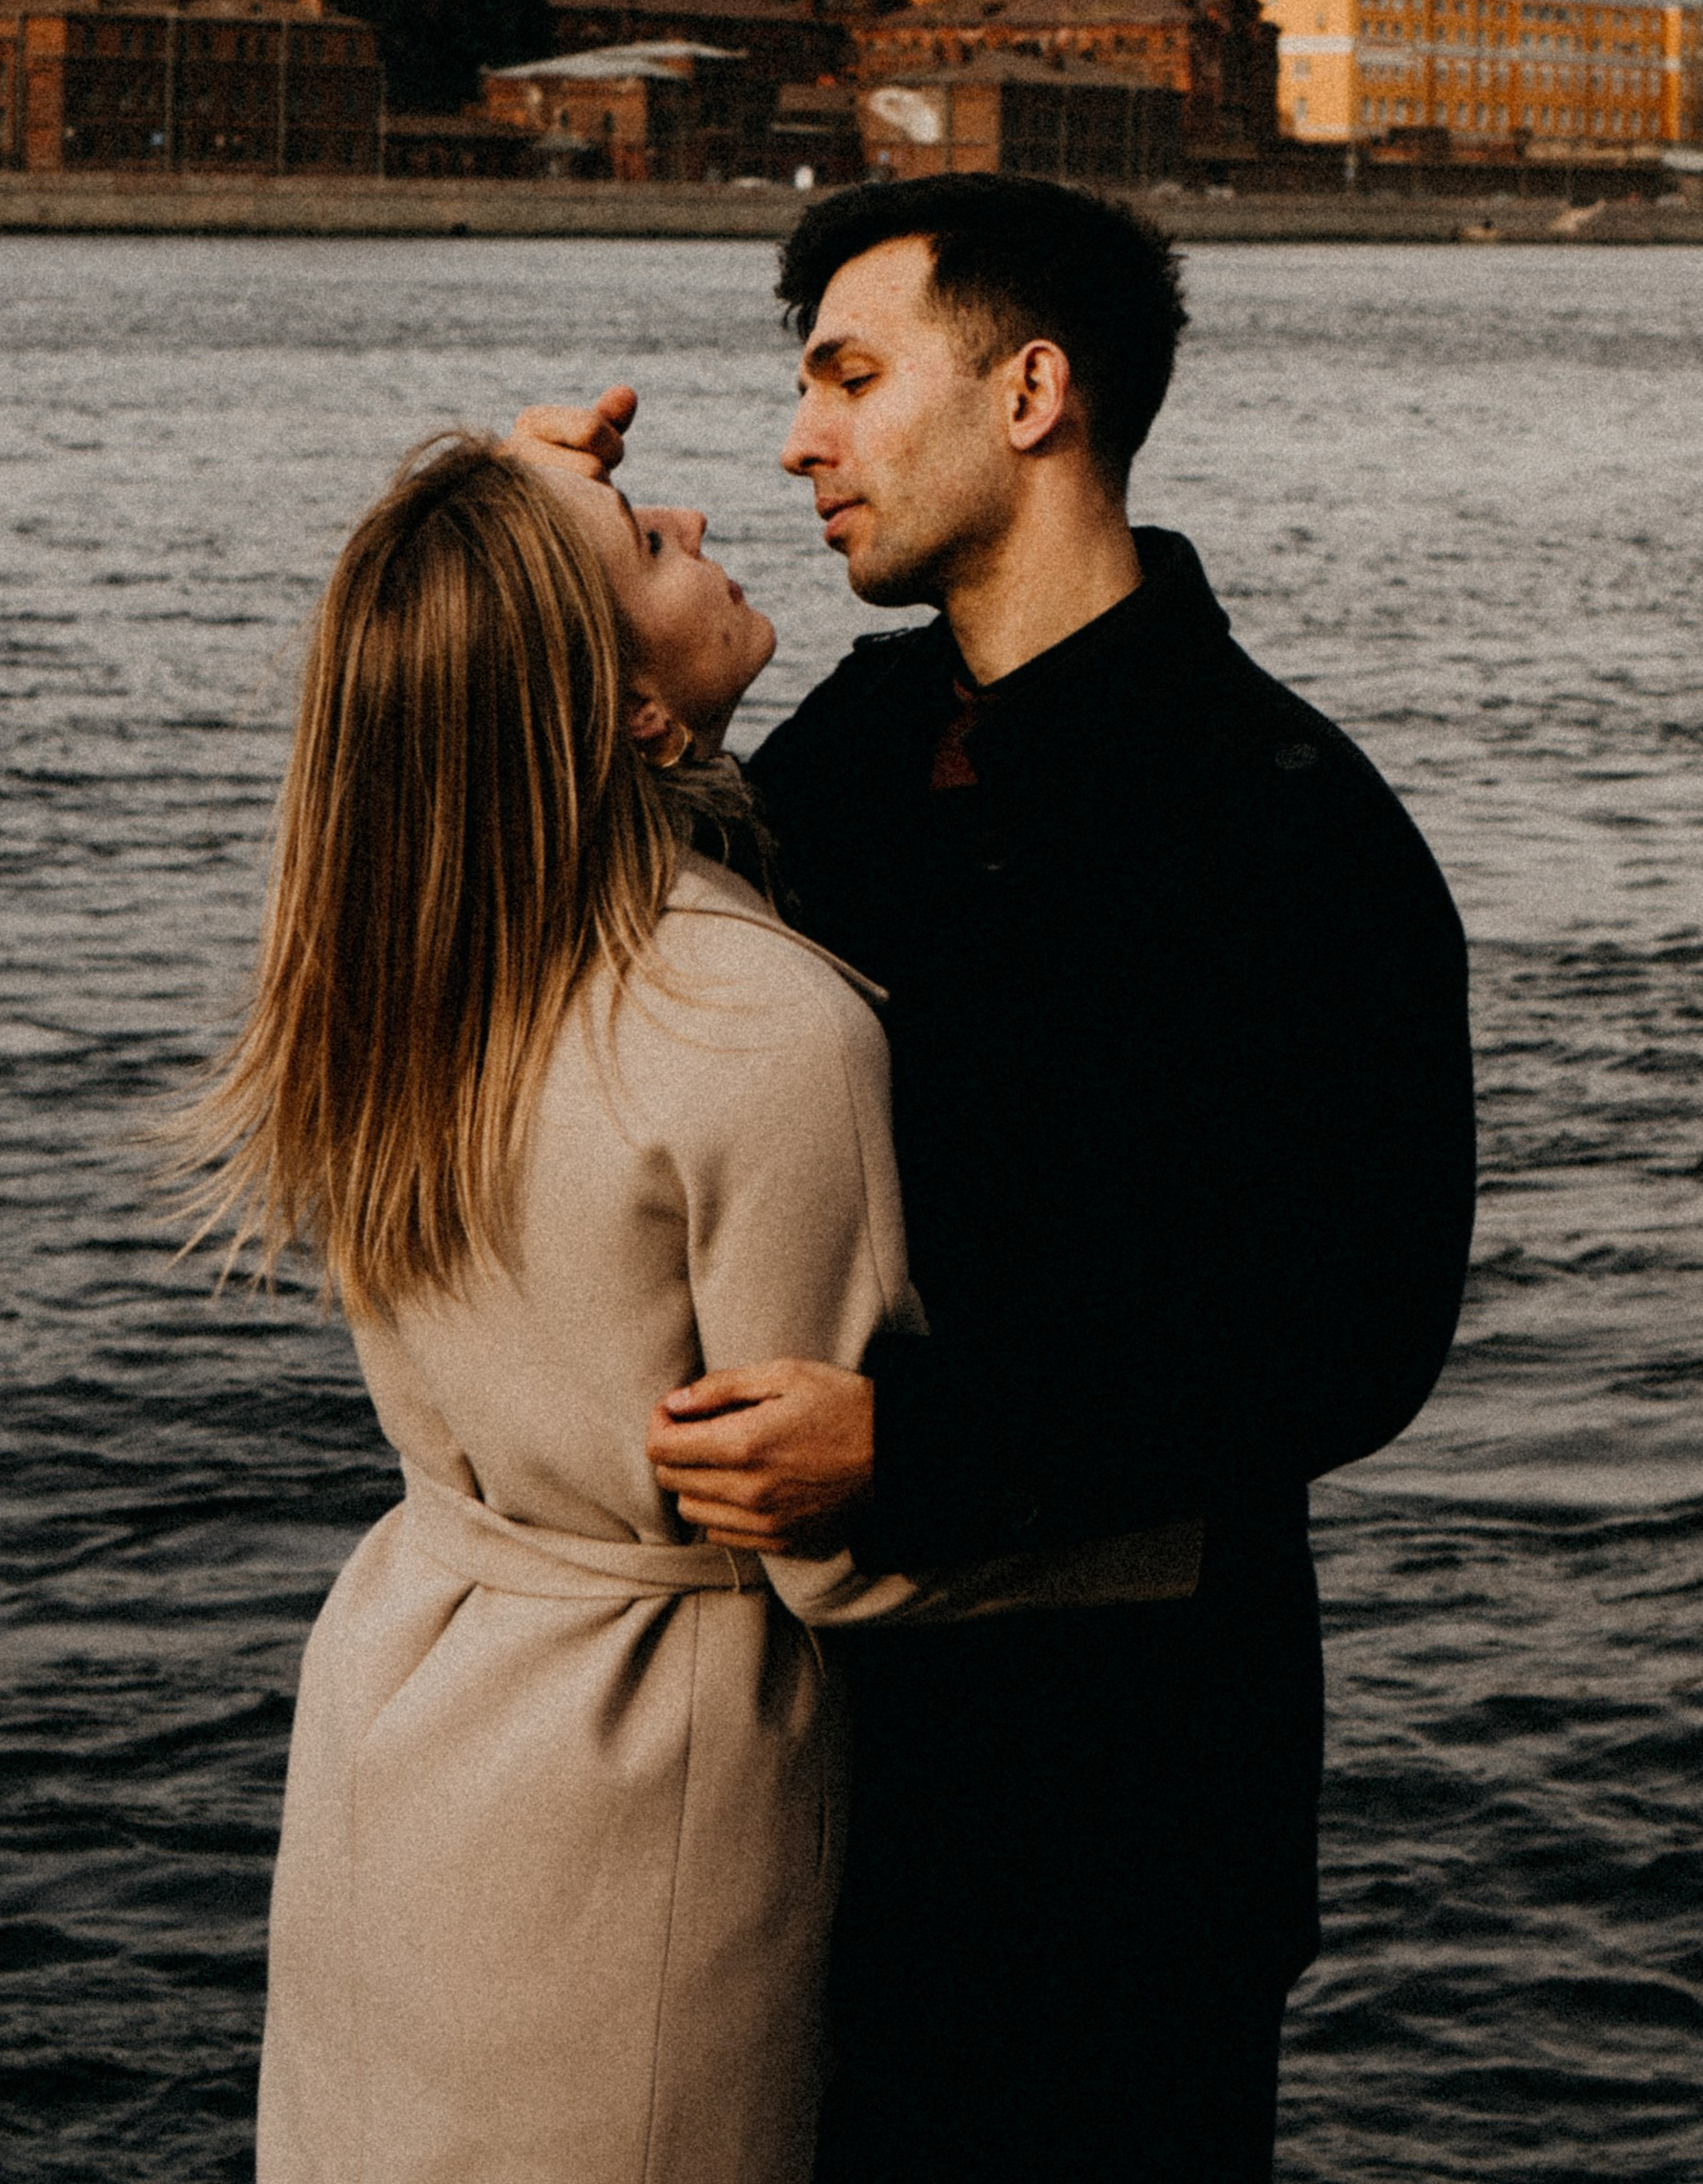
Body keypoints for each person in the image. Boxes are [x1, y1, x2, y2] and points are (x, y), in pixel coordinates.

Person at [517, 175, 1476, 2184]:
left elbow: (1349, 1333)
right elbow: (572, 980)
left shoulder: (1288, 825)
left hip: (1122, 1803)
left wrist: (915, 1444)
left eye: (851, 378)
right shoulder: (849, 751)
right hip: (800, 1760)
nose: (798, 439)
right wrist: (529, 579)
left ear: (1031, 391)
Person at [195, 430, 1193, 2184]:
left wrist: (506, 516)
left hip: (403, 1716)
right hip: (638, 1776)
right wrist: (1166, 1526)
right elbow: (826, 1538)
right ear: (641, 720)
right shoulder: (756, 1027)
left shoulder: (396, 951)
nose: (702, 518)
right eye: (651, 543)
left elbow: (448, 669)